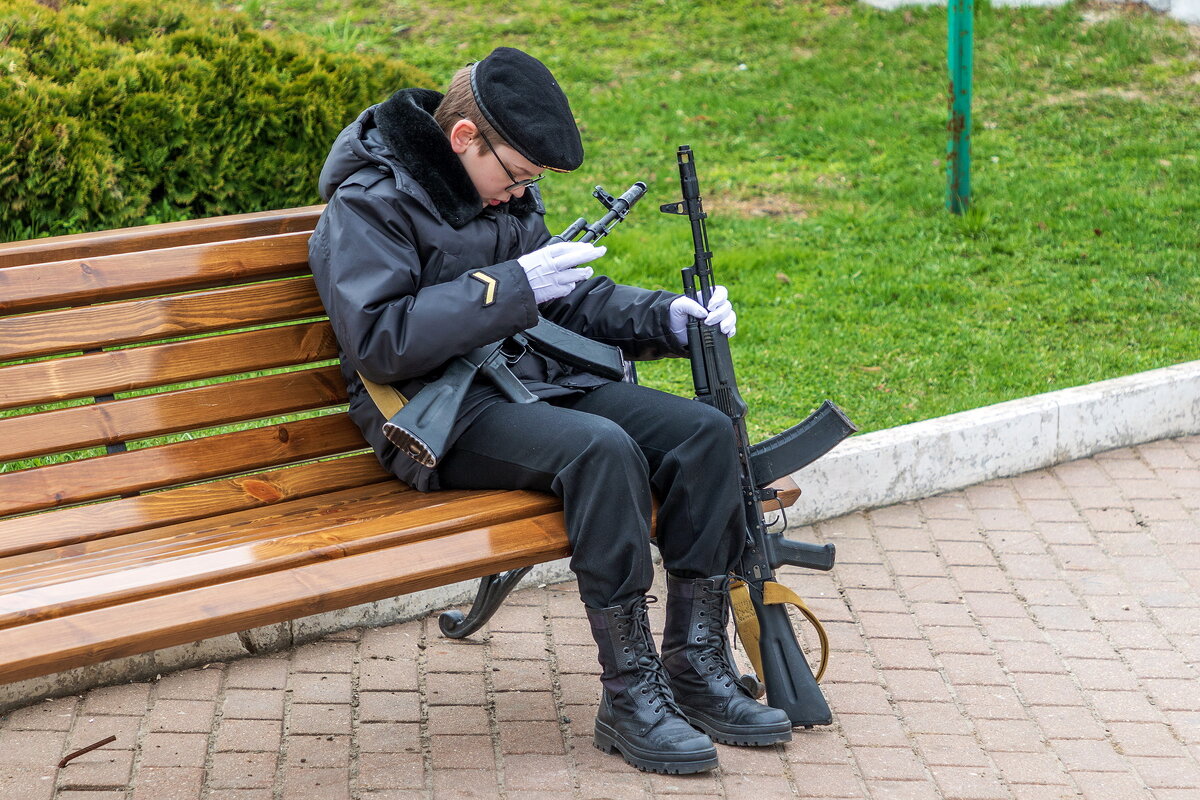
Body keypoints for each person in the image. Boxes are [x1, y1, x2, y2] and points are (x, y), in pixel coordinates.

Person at [307, 46, 792, 774]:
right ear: (465, 138)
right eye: (518, 176)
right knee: (599, 449)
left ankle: (694, 665)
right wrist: (505, 287)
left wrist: (671, 318)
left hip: (529, 388)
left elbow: (569, 297)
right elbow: (381, 341)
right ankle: (629, 696)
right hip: (434, 417)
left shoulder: (493, 189)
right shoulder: (368, 202)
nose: (519, 194)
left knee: (704, 434)